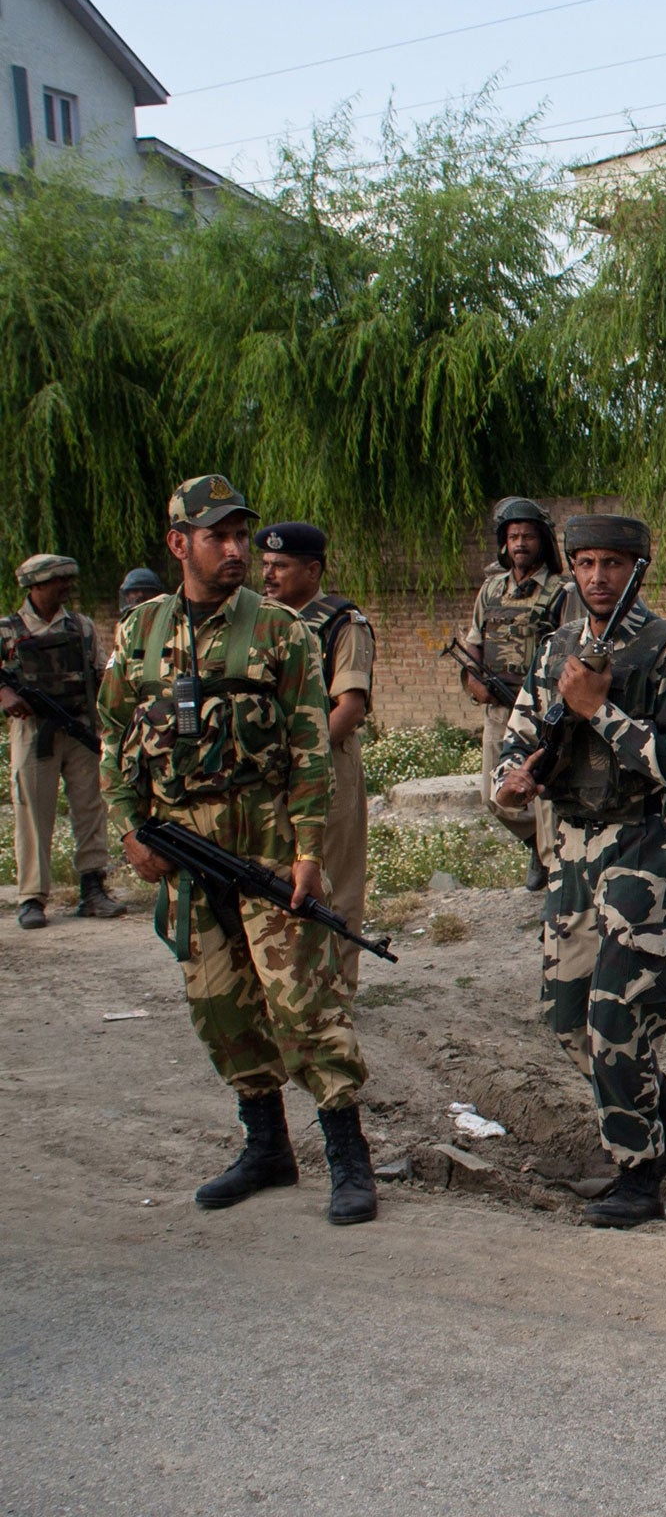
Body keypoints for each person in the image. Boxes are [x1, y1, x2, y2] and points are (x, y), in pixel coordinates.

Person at [100, 475, 375, 1225]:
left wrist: (309, 851)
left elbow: (311, 748)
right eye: (218, 536)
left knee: (304, 1006)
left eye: (239, 536)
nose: (235, 550)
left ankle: (349, 1161)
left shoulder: (280, 629)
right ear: (178, 543)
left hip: (266, 848)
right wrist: (128, 826)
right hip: (183, 852)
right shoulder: (140, 633)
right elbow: (115, 734)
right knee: (218, 1005)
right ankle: (266, 1149)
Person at [494, 514, 666, 1229]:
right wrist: (510, 781)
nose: (596, 577)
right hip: (572, 845)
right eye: (584, 562)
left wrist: (601, 711)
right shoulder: (555, 645)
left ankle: (639, 1173)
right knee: (568, 1019)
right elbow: (520, 735)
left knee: (619, 1013)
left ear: (637, 566)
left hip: (644, 844)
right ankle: (661, 1106)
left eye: (612, 563)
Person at [256, 522, 376, 992]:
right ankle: (290, 981)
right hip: (271, 771)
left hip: (327, 765)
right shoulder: (261, 621)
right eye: (265, 565)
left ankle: (336, 987)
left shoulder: (341, 623)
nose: (268, 575)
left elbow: (349, 706)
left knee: (335, 879)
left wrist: (303, 756)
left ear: (312, 569)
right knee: (277, 874)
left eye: (280, 566)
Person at [3, 553, 126, 929]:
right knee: (32, 812)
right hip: (32, 732)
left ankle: (93, 887)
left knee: (90, 808)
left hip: (79, 728)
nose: (67, 587)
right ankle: (32, 897)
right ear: (36, 586)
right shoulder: (8, 630)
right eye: (59, 581)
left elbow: (103, 674)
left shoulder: (82, 627)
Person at [461, 497, 571, 893]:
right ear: (503, 544)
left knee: (542, 796)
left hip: (541, 711)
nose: (520, 544)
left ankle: (553, 873)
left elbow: (572, 648)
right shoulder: (491, 590)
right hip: (497, 710)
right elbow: (474, 644)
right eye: (513, 537)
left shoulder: (562, 592)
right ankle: (534, 844)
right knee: (496, 796)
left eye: (527, 536)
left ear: (541, 540)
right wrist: (474, 684)